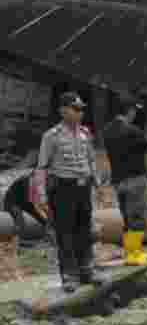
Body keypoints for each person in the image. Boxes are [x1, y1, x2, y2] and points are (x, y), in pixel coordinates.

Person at [34, 92, 101, 293]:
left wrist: (97, 181)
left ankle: (87, 270)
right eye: (76, 109)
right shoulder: (51, 136)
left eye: (81, 109)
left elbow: (90, 159)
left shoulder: (85, 133)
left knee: (84, 229)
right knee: (65, 233)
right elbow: (41, 168)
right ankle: (69, 276)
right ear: (63, 111)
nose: (80, 113)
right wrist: (42, 195)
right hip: (63, 189)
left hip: (83, 188)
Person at [102, 98, 147, 266]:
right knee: (137, 218)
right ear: (129, 111)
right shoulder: (134, 131)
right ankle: (134, 254)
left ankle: (128, 252)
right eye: (135, 111)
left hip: (118, 180)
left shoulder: (107, 130)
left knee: (126, 218)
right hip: (135, 179)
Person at [2, 171, 48, 246]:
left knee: (42, 219)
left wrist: (46, 216)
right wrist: (43, 209)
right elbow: (35, 201)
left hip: (25, 203)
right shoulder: (25, 180)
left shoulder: (35, 183)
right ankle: (16, 241)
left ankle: (47, 235)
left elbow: (38, 201)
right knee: (20, 220)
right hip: (12, 203)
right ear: (33, 176)